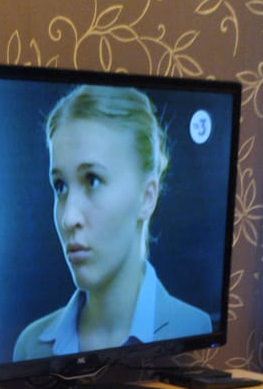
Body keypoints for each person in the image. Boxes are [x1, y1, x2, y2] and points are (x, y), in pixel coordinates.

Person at [13, 84, 212, 362]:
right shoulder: (31, 346)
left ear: (147, 197)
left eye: (92, 180)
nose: (69, 218)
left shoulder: (193, 329)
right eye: (60, 186)